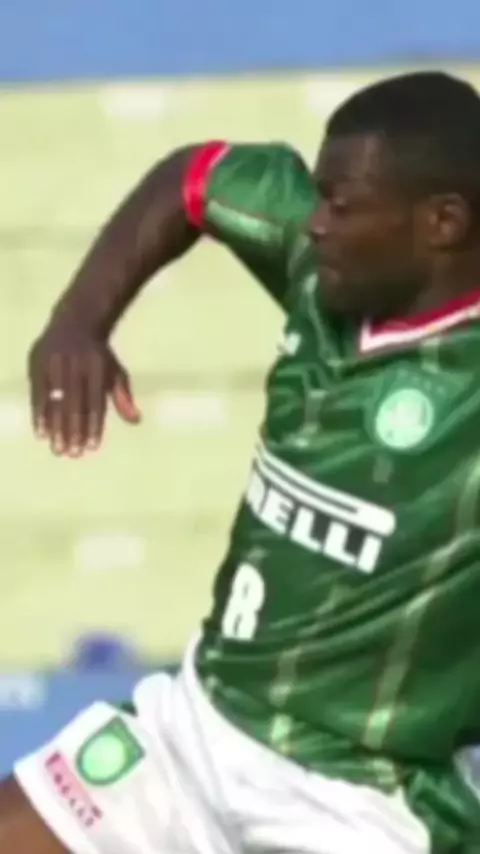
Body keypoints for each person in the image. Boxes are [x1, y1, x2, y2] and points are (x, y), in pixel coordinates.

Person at [3, 70, 480, 854]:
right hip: (198, 731)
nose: (316, 223)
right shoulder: (318, 269)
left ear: (443, 222)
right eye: (318, 197)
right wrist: (78, 323)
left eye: (342, 205)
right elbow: (194, 179)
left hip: (361, 802)